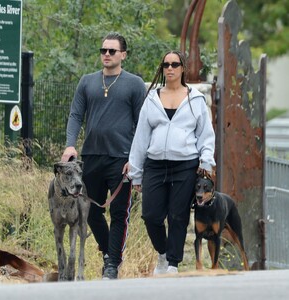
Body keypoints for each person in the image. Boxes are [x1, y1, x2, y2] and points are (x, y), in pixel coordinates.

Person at [61, 32, 146, 280]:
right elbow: (76, 115)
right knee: (89, 210)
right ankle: (110, 254)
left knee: (119, 213)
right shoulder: (87, 82)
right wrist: (70, 145)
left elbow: (142, 124)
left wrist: (136, 158)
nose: (106, 54)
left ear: (123, 54)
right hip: (92, 156)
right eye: (103, 51)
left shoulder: (134, 84)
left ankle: (111, 266)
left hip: (122, 159)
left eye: (111, 51)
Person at [128, 50, 216, 275]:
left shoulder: (195, 99)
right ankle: (163, 253)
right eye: (166, 64)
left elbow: (206, 134)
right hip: (155, 165)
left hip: (185, 164)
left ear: (182, 68)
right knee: (151, 216)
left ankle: (173, 264)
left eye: (174, 64)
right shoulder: (152, 98)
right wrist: (136, 173)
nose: (170, 68)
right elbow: (141, 137)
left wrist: (206, 161)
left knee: (178, 215)